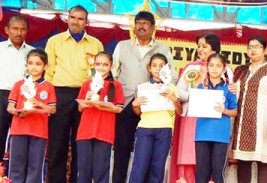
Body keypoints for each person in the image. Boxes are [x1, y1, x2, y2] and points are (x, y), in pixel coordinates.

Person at [112, 11, 178, 183]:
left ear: (153, 28)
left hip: (151, 108)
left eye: (145, 23)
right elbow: (112, 74)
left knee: (147, 157)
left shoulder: (163, 49)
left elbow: (172, 76)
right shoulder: (122, 45)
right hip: (126, 103)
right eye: (138, 23)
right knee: (121, 150)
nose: (141, 26)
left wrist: (162, 90)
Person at [44, 5, 104, 183]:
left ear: (87, 21)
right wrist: (49, 99)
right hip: (60, 93)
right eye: (72, 17)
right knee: (57, 144)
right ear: (67, 18)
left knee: (82, 143)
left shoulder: (96, 44)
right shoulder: (54, 41)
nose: (75, 21)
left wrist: (95, 96)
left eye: (80, 18)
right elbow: (48, 72)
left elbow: (100, 74)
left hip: (86, 95)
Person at [231, 35, 267, 183]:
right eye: (250, 47)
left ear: (265, 49)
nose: (253, 50)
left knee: (264, 162)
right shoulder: (241, 71)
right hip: (243, 123)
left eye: (257, 47)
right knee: (243, 162)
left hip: (265, 123)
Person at [170, 33, 222, 183]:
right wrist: (195, 96)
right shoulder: (190, 67)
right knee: (188, 155)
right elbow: (178, 91)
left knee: (208, 157)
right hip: (190, 118)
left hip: (211, 120)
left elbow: (228, 93)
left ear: (214, 49)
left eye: (204, 46)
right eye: (198, 46)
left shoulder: (224, 69)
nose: (200, 49)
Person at [0, 15, 34, 170]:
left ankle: (16, 178)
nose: (19, 32)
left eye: (22, 29)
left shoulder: (33, 53)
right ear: (7, 29)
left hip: (23, 99)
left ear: (27, 31)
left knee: (20, 141)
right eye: (15, 28)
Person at [129, 53, 182, 183]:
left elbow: (179, 112)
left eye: (161, 66)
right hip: (145, 128)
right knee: (140, 166)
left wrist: (173, 98)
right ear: (149, 68)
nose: (158, 69)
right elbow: (138, 112)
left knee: (158, 167)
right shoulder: (144, 87)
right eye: (154, 66)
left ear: (167, 68)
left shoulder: (171, 88)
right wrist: (134, 105)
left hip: (164, 129)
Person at [7, 48, 56, 183]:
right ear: (26, 65)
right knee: (16, 165)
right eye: (31, 63)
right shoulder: (19, 85)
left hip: (39, 132)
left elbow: (52, 110)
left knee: (35, 166)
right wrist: (19, 111)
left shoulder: (48, 87)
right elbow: (10, 107)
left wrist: (39, 105)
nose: (34, 67)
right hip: (19, 130)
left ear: (45, 66)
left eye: (38, 64)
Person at [76, 51, 125, 183]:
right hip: (85, 132)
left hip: (104, 132)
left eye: (105, 65)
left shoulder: (115, 85)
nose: (101, 67)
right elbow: (80, 108)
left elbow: (118, 108)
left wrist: (103, 106)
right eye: (98, 64)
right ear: (93, 66)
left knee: (101, 171)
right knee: (84, 170)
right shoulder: (87, 84)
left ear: (111, 67)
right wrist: (86, 100)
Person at [194, 53, 237, 183]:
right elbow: (194, 106)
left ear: (224, 69)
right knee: (201, 174)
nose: (214, 69)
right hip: (202, 134)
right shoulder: (201, 87)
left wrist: (224, 110)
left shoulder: (229, 88)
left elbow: (235, 111)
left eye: (218, 66)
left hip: (221, 136)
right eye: (211, 65)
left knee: (218, 174)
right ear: (206, 68)